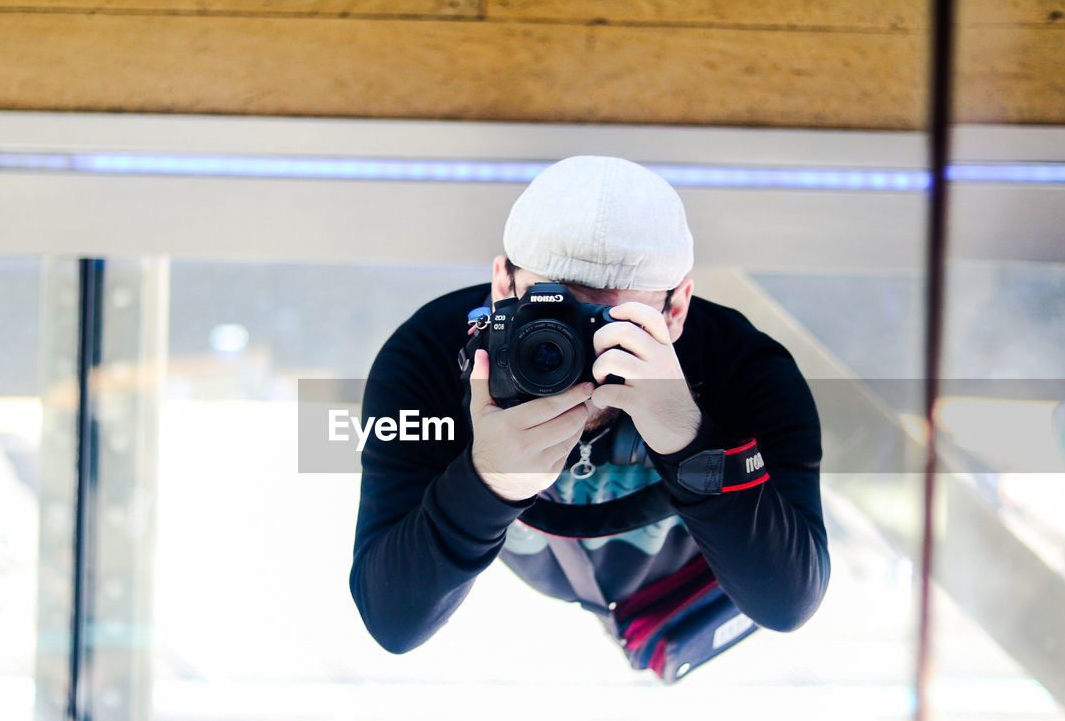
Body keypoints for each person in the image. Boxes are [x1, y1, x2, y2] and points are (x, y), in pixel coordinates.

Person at [349, 156, 830, 678]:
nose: (572, 351)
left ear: (675, 310)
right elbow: (391, 619)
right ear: (501, 286)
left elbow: (788, 601)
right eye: (547, 315)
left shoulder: (741, 369)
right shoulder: (431, 360)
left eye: (612, 324)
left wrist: (689, 440)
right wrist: (487, 481)